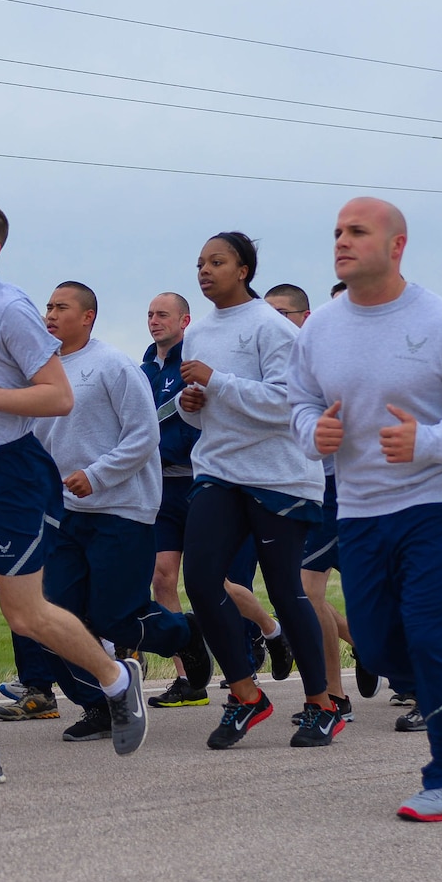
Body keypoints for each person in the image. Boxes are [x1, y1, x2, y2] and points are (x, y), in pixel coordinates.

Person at [290, 198, 442, 822]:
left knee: (433, 638)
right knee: (378, 647)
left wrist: (430, 441)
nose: (341, 240)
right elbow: (299, 401)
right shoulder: (320, 328)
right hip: (361, 509)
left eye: (357, 231)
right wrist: (312, 432)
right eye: (337, 230)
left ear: (396, 246)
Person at [0, 198, 147, 788]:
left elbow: (56, 396)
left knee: (25, 613)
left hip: (11, 474)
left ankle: (116, 680)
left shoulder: (11, 309)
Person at [177, 233, 340, 750]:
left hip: (279, 477)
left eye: (217, 262)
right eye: (200, 263)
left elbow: (287, 402)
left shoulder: (271, 328)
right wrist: (191, 402)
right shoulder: (197, 332)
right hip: (219, 469)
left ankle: (322, 704)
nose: (205, 270)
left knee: (286, 591)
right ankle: (247, 694)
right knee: (201, 582)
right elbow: (201, 412)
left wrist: (217, 382)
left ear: (243, 270)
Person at [33, 282, 212, 742]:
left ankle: (183, 633)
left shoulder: (112, 365)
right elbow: (32, 443)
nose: (50, 314)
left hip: (121, 506)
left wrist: (97, 475)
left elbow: (143, 435)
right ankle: (101, 705)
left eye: (61, 307)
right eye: (48, 306)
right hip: (64, 511)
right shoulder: (38, 374)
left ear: (88, 316)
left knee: (115, 617)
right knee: (55, 617)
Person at [141, 292, 275, 709]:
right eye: (149, 314)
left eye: (163, 314)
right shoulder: (144, 369)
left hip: (202, 481)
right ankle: (189, 678)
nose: (154, 321)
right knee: (162, 577)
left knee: (216, 582)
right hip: (162, 486)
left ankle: (268, 630)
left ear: (185, 320)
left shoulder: (195, 359)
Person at [268, 281, 364, 722]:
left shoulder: (339, 357)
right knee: (306, 592)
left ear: (304, 317)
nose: (272, 321)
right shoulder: (274, 359)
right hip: (307, 492)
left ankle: (416, 677)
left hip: (360, 490)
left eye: (282, 313)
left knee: (388, 594)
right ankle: (333, 692)